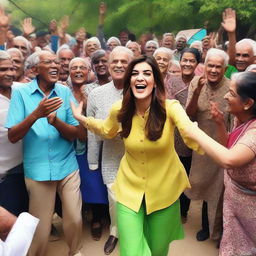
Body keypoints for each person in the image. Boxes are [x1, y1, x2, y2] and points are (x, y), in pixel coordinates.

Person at [71, 55, 202, 256]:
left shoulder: (171, 108)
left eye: (147, 73)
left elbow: (191, 133)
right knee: (131, 252)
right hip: (128, 191)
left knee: (158, 250)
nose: (140, 78)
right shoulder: (119, 109)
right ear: (129, 81)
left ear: (156, 81)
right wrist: (82, 118)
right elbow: (106, 129)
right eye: (135, 74)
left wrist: (226, 154)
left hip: (164, 192)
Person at [6, 50, 83, 256]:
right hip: (38, 169)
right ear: (34, 69)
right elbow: (13, 135)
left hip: (67, 165)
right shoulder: (21, 94)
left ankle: (75, 252)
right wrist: (37, 114)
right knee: (41, 228)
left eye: (56, 62)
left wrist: (55, 121)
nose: (55, 65)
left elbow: (74, 134)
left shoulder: (65, 92)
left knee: (75, 218)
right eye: (48, 62)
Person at [184, 71, 256, 256]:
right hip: (235, 203)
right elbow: (229, 147)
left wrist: (194, 132)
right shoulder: (241, 119)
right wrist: (219, 123)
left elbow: (229, 160)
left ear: (248, 103)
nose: (225, 95)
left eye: (231, 93)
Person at [86, 46, 133, 254]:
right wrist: (92, 160)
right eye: (115, 61)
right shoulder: (96, 94)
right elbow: (92, 129)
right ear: (108, 64)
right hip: (111, 157)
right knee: (114, 199)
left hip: (138, 157)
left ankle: (135, 233)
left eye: (124, 61)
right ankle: (115, 232)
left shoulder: (141, 88)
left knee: (136, 199)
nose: (119, 65)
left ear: (132, 65)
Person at [186, 48, 232, 242]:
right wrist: (197, 92)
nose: (213, 70)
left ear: (225, 68)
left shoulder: (232, 87)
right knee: (204, 186)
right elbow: (189, 114)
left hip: (224, 144)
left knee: (219, 190)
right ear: (204, 66)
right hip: (202, 146)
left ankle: (219, 232)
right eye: (210, 65)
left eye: (218, 67)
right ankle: (207, 226)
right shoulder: (196, 82)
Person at [68, 57, 108, 242]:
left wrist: (86, 99)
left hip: (93, 145)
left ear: (89, 71)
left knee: (95, 182)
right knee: (78, 185)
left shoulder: (95, 90)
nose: (78, 70)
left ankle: (97, 219)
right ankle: (84, 212)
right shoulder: (62, 90)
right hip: (68, 146)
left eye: (82, 67)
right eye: (73, 67)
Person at [165, 48, 201, 222]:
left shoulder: (199, 82)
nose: (187, 63)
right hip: (171, 134)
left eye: (191, 61)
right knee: (170, 173)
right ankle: (168, 208)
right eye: (184, 60)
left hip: (190, 134)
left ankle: (183, 210)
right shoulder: (171, 81)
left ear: (197, 64)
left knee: (186, 173)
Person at [0, 50, 28, 216]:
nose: (10, 73)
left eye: (11, 69)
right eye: (3, 69)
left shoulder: (21, 89)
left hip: (26, 168)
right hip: (4, 175)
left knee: (24, 220)